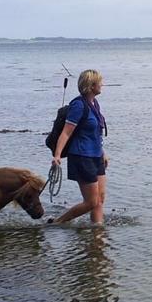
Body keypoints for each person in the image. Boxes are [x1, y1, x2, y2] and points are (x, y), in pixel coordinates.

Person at [50, 68, 109, 225]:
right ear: (91, 86)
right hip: (81, 157)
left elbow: (95, 132)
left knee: (100, 199)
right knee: (91, 202)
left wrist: (102, 153)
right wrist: (57, 156)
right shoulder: (78, 105)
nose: (102, 85)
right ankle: (58, 221)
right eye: (99, 82)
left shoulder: (94, 103)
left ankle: (97, 232)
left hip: (96, 157)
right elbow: (66, 133)